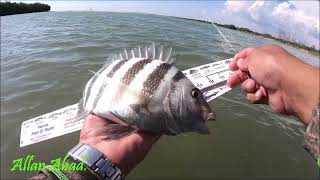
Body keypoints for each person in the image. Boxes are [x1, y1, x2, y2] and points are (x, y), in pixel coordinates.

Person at [30, 44, 319, 179]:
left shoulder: (168, 101)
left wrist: (91, 161)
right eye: (196, 96)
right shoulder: (157, 102)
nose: (206, 108)